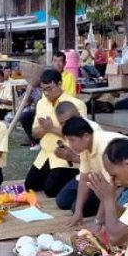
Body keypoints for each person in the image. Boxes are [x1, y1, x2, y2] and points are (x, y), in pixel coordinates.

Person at [56, 116, 128, 222]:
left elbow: (109, 187)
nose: (70, 145)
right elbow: (84, 180)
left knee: (124, 217)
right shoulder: (85, 148)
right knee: (71, 205)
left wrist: (98, 221)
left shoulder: (105, 148)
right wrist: (78, 212)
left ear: (86, 136)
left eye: (72, 140)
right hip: (119, 181)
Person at [24, 69, 86, 197]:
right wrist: (45, 129)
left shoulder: (76, 104)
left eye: (49, 89)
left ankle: (75, 176)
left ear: (60, 84)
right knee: (30, 185)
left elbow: (79, 136)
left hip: (65, 155)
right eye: (43, 90)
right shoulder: (41, 103)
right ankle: (53, 176)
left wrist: (51, 128)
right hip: (46, 154)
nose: (46, 93)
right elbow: (34, 133)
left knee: (50, 190)